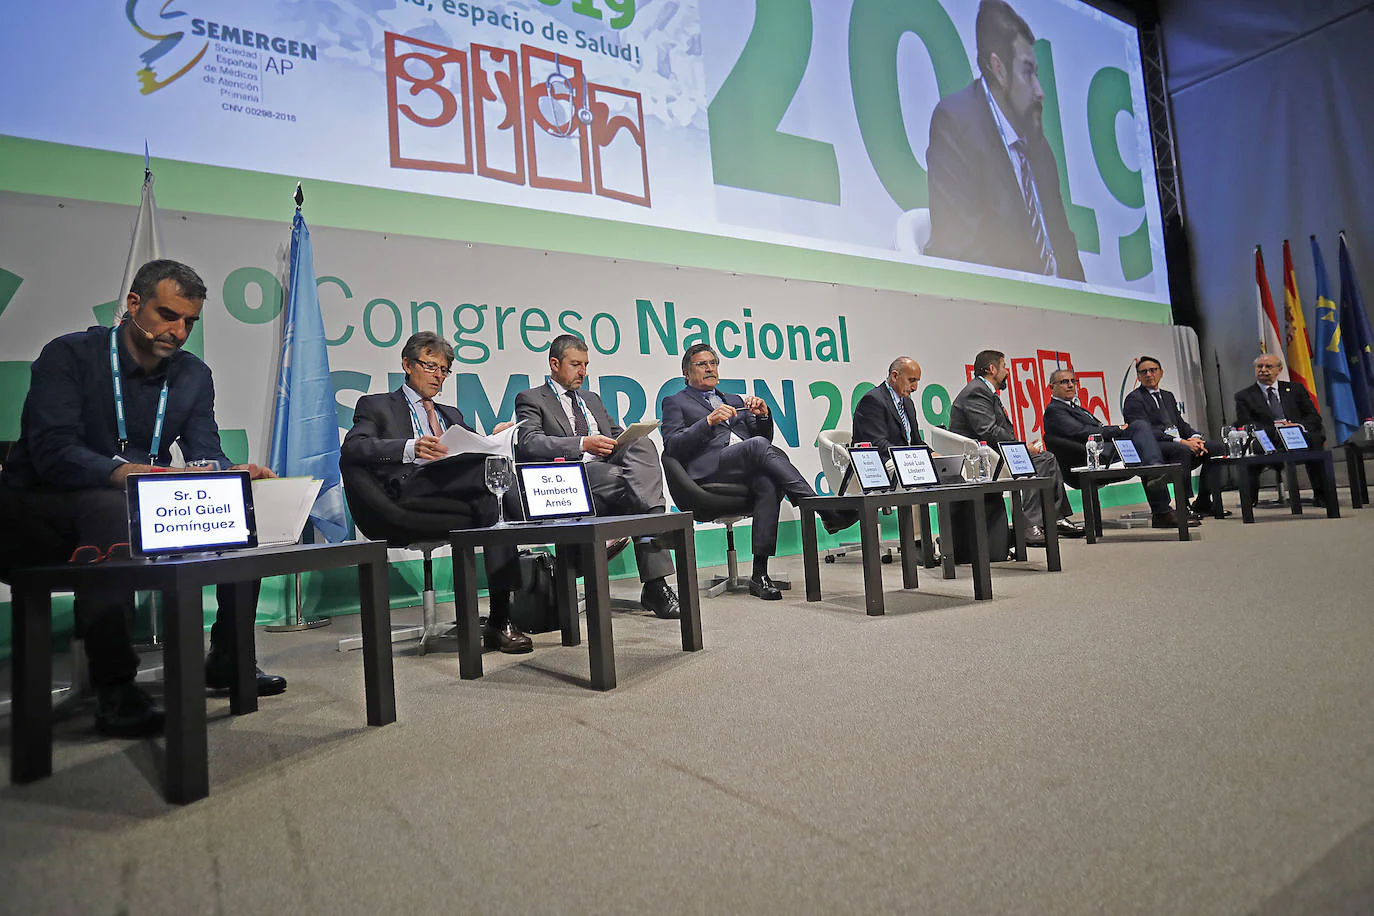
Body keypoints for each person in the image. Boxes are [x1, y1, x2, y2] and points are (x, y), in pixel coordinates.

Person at [0, 259, 284, 738]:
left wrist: (225, 471)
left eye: (189, 322)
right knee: (113, 510)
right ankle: (116, 687)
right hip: (40, 510)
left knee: (235, 502)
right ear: (133, 304)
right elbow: (52, 453)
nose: (177, 331)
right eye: (168, 315)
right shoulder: (69, 356)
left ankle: (229, 658)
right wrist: (123, 472)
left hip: (132, 506)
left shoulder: (193, 375)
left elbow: (204, 453)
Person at [340, 331, 530, 653]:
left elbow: (472, 450)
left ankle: (499, 618)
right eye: (430, 366)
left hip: (450, 495)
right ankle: (545, 525)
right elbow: (354, 448)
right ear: (407, 364)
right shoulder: (376, 405)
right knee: (493, 484)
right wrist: (411, 447)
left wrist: (496, 437)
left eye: (443, 370)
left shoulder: (451, 414)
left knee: (490, 498)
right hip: (407, 493)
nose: (438, 376)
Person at [661, 343, 855, 600]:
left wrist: (763, 416)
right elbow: (673, 445)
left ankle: (759, 574)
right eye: (702, 364)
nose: (710, 368)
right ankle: (823, 510)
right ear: (686, 372)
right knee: (760, 449)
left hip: (743, 464)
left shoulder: (733, 399)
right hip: (708, 471)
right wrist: (708, 421)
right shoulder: (675, 402)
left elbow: (763, 438)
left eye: (713, 363)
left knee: (768, 481)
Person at [514, 334, 680, 619]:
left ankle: (654, 536)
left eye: (586, 365)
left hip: (607, 467)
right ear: (554, 364)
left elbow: (613, 436)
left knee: (642, 446)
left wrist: (631, 435)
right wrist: (581, 444)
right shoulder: (531, 398)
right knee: (628, 481)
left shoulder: (591, 398)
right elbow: (529, 442)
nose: (583, 372)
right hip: (570, 476)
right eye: (576, 364)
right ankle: (655, 566)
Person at [925, 0, 1084, 281]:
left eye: (1037, 73)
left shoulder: (1039, 147)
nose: (1040, 91)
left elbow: (1066, 249)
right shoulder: (955, 123)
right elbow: (962, 255)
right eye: (1027, 72)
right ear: (998, 69)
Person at [948, 349, 1085, 546]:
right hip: (981, 460)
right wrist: (1021, 448)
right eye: (1004, 367)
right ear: (992, 369)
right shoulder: (976, 391)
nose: (1008, 371)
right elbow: (989, 431)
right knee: (1033, 462)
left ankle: (1054, 519)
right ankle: (1029, 526)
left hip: (993, 453)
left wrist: (1020, 448)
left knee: (1046, 458)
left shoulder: (985, 391)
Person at [1042, 367, 1197, 528]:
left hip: (1106, 449)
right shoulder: (1055, 410)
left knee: (1160, 444)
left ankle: (1162, 498)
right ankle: (1161, 505)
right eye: (1064, 382)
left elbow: (1095, 429)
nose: (1070, 385)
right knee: (1139, 428)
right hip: (1091, 457)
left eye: (1073, 381)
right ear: (1051, 387)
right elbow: (1083, 432)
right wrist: (1118, 430)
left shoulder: (1074, 407)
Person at [1120, 355, 1227, 517]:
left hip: (1176, 442)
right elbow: (1143, 431)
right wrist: (1182, 442)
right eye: (1144, 372)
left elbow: (1180, 424)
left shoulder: (1168, 396)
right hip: (1154, 447)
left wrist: (1195, 437)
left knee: (1216, 447)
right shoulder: (1134, 399)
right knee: (1181, 450)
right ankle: (1183, 505)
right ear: (1138, 377)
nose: (1149, 374)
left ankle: (1204, 500)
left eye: (1152, 370)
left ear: (1161, 373)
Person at [1234, 354, 1329, 505]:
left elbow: (1313, 417)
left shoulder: (1295, 389)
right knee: (1252, 448)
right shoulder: (1244, 396)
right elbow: (1246, 422)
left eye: (1268, 366)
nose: (1263, 370)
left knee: (1315, 441)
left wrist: (1295, 426)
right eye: (1259, 367)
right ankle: (1250, 499)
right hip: (1268, 438)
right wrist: (1278, 429)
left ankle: (1323, 496)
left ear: (1279, 369)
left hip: (1297, 435)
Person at [852, 357, 926, 461]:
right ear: (895, 376)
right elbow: (877, 443)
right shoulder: (873, 400)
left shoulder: (908, 403)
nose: (915, 388)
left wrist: (932, 454)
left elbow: (915, 441)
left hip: (905, 462)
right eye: (911, 380)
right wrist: (910, 458)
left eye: (917, 381)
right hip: (880, 463)